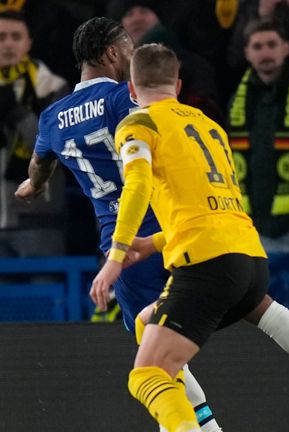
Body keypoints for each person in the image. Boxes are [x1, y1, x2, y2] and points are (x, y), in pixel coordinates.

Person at [92, 43, 289, 432]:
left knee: (147, 376)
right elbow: (211, 208)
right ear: (177, 86)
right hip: (248, 255)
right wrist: (154, 242)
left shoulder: (139, 123)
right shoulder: (208, 126)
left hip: (206, 267)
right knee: (154, 321)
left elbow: (137, 185)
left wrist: (117, 254)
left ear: (130, 89)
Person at [14, 17, 224, 431]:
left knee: (156, 360)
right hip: (165, 231)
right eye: (130, 47)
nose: (135, 56)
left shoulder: (53, 117)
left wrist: (32, 186)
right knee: (165, 360)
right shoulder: (121, 99)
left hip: (121, 248)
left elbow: (38, 167)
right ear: (112, 54)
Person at [226, 18, 289, 318]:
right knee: (261, 301)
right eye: (257, 46)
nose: (265, 53)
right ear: (247, 53)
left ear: (287, 47)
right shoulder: (239, 96)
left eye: (272, 44)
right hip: (253, 221)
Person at [0, 10, 68, 260]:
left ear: (28, 43)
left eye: (15, 37)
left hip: (39, 222)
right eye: (1, 37)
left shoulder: (52, 87)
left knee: (49, 297)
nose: (8, 43)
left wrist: (17, 114)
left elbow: (58, 148)